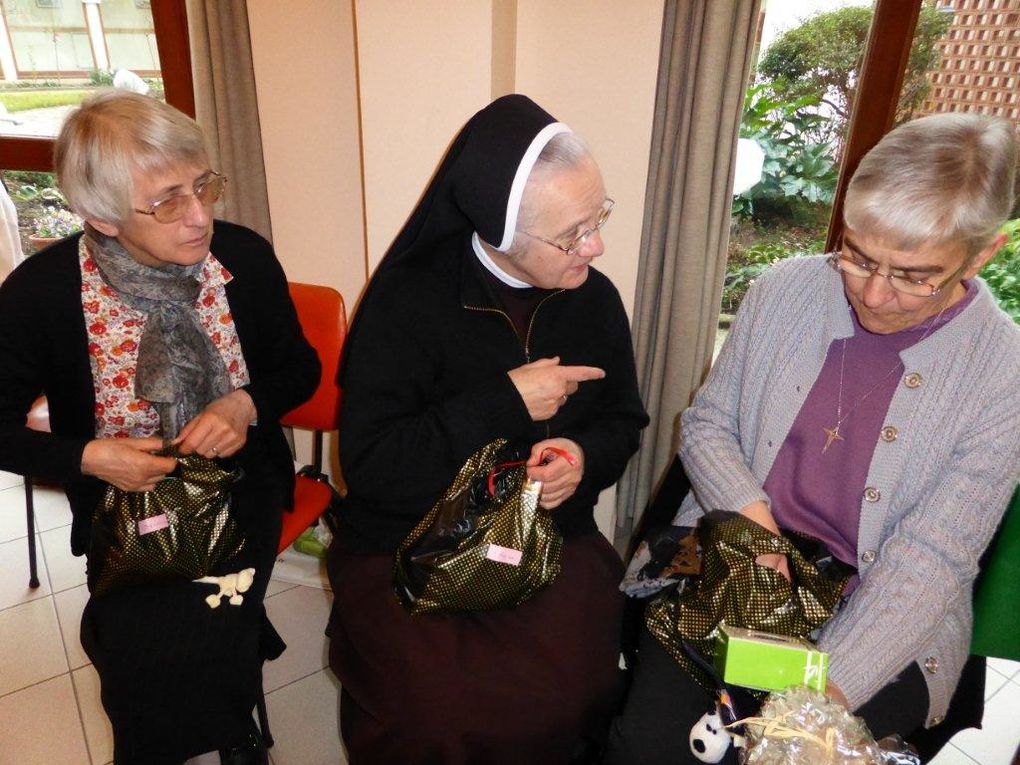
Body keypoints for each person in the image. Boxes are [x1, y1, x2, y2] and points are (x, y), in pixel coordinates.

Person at [605, 112, 1020, 764]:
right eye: (858, 254)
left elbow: (932, 561)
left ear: (983, 253)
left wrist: (815, 695)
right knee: (650, 748)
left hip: (884, 610)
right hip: (734, 566)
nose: (875, 294)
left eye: (914, 274)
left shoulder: (1003, 373)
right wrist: (755, 529)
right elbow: (709, 425)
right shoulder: (785, 291)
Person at [326, 94, 649, 764]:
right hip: (409, 541)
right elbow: (373, 465)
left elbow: (624, 420)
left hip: (548, 533)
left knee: (573, 688)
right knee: (437, 714)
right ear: (501, 231)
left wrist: (581, 457)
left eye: (599, 217)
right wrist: (503, 401)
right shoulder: (406, 302)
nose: (596, 246)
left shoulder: (595, 299)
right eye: (572, 234)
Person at [0, 90, 319, 764]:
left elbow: (301, 369)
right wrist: (90, 457)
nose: (200, 215)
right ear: (100, 216)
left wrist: (245, 405)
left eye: (202, 184)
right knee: (141, 660)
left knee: (215, 625)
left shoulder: (244, 260)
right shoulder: (43, 292)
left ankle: (236, 729)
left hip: (239, 493)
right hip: (123, 511)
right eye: (167, 199)